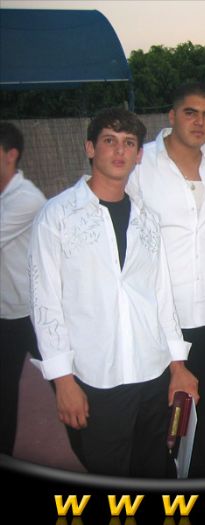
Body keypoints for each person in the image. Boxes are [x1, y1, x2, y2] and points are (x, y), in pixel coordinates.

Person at [28, 108, 199, 477]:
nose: (120, 151)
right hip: (95, 378)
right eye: (110, 141)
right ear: (90, 148)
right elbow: (45, 303)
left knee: (156, 469)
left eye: (129, 143)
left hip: (152, 372)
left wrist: (178, 367)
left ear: (139, 155)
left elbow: (162, 297)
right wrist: (63, 381)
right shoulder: (58, 216)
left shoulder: (147, 219)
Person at [127, 81, 205, 478]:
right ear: (171, 116)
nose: (199, 122)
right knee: (160, 418)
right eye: (190, 113)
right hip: (158, 318)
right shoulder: (141, 165)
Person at [0, 122, 46, 456]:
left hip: (36, 314)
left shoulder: (27, 199)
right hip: (5, 315)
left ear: (10, 155)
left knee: (68, 385)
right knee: (3, 393)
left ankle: (104, 461)